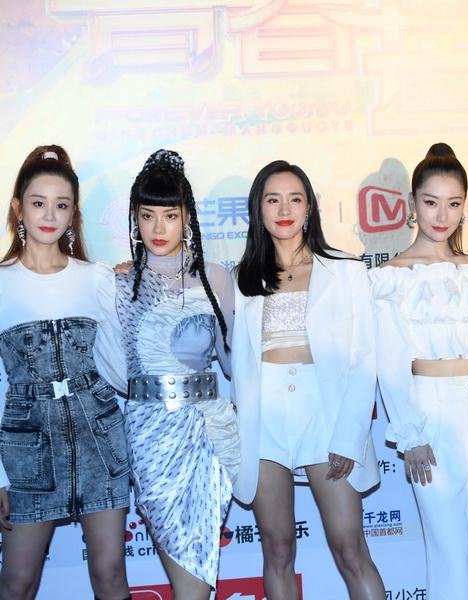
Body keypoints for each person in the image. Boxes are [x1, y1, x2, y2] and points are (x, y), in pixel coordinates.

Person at [231, 160, 384, 600]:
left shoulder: (345, 270)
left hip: (326, 416)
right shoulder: (242, 278)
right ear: (258, 209)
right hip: (265, 421)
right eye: (273, 200)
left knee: (350, 548)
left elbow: (363, 359)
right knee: (277, 549)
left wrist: (350, 436)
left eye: (294, 199)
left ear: (310, 207)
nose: (284, 210)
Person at [369, 143, 468, 600]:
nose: (441, 215)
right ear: (413, 204)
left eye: (453, 204)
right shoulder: (392, 277)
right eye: (431, 202)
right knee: (449, 548)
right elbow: (390, 365)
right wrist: (409, 431)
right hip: (429, 413)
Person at [0, 145, 130, 600]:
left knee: (110, 574)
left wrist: (132, 291)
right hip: (28, 450)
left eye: (61, 205)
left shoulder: (97, 277)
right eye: (39, 203)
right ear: (18, 208)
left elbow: (117, 368)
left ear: (74, 213)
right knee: (17, 582)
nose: (49, 215)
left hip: (100, 438)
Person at [116, 149, 239, 598]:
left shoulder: (216, 278)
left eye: (170, 215)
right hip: (149, 432)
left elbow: (234, 364)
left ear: (187, 217)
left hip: (207, 431)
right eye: (148, 216)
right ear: (135, 220)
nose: (159, 228)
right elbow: (111, 367)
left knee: (198, 577)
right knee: (186, 569)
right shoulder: (118, 284)